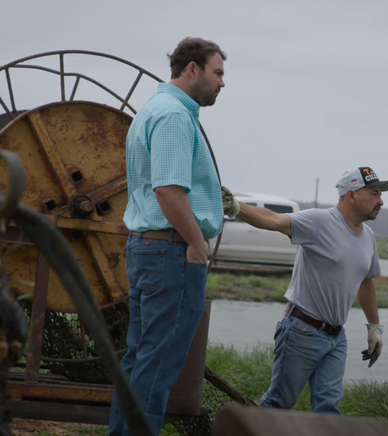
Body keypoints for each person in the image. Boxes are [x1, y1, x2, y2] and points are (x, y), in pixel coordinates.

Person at [109, 37, 226, 436]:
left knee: (141, 359)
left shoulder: (153, 110)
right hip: (171, 252)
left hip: (148, 248)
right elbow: (169, 191)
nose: (222, 83)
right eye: (218, 73)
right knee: (158, 367)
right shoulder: (175, 116)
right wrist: (196, 242)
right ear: (192, 69)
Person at [222, 166, 388, 414]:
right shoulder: (319, 221)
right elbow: (273, 220)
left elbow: (366, 281)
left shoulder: (368, 236)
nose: (381, 201)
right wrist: (236, 207)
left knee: (328, 408)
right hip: (302, 331)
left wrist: (374, 327)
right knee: (278, 405)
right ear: (352, 194)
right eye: (375, 193)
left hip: (337, 338)